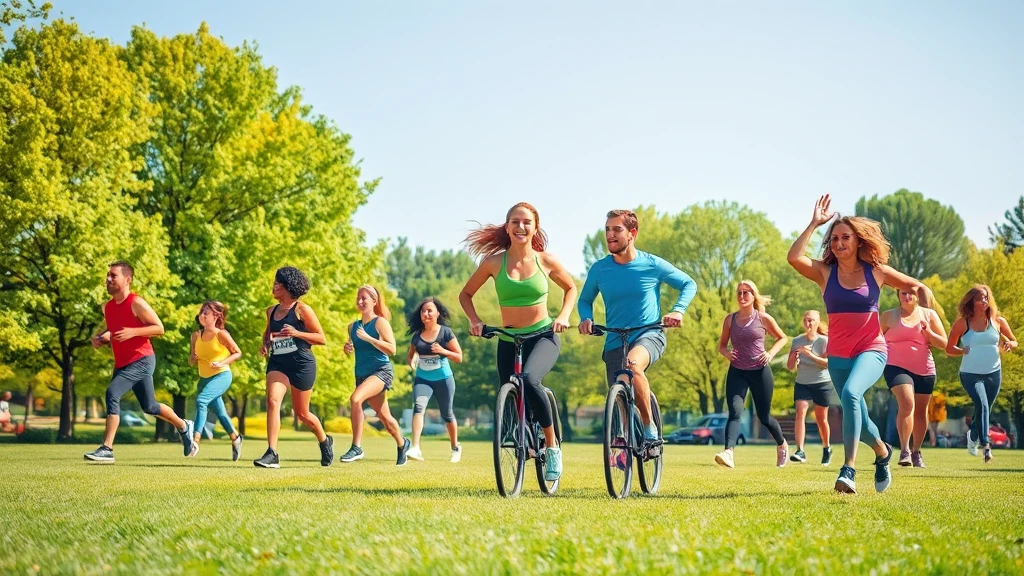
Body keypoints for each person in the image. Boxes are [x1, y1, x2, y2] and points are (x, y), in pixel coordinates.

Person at [787, 195, 935, 494]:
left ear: (858, 241)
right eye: (835, 238)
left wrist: (924, 312)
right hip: (839, 355)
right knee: (860, 417)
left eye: (846, 237)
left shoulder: (876, 271)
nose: (840, 243)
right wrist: (815, 223)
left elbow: (915, 286)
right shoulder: (825, 273)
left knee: (853, 393)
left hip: (872, 349)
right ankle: (882, 451)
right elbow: (793, 258)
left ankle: (849, 469)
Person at [460, 202, 577, 482]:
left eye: (526, 222)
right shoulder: (493, 262)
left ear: (535, 227)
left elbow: (571, 288)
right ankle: (522, 431)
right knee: (509, 393)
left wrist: (563, 315)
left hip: (543, 336)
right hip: (508, 338)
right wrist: (474, 321)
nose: (520, 227)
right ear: (507, 226)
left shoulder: (545, 261)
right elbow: (466, 295)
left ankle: (552, 446)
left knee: (528, 379)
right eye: (515, 221)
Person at [578, 209, 697, 448]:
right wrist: (586, 318)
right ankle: (623, 439)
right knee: (619, 388)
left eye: (617, 230)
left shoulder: (651, 264)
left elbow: (688, 283)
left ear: (632, 233)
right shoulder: (600, 269)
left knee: (632, 364)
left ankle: (648, 426)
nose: (610, 235)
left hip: (649, 333)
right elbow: (584, 300)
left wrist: (678, 310)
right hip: (614, 339)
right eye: (607, 230)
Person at [85, 262, 195, 462]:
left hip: (142, 359)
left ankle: (107, 448)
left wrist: (133, 332)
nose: (108, 279)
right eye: (107, 275)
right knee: (150, 407)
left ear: (127, 280)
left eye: (113, 276)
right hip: (123, 363)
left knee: (112, 393)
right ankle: (184, 426)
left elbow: (159, 328)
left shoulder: (137, 303)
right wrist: (103, 337)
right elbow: (116, 330)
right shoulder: (108, 307)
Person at [254, 267, 333, 469]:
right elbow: (269, 335)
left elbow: (321, 338)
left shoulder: (302, 310)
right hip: (278, 363)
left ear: (288, 287)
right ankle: (272, 453)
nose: (273, 286)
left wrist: (297, 333)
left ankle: (324, 440)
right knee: (273, 401)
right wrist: (265, 345)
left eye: (277, 283)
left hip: (301, 363)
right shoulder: (270, 311)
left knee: (302, 414)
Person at [714, 281, 789, 468]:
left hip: (760, 372)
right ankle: (728, 452)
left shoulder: (763, 318)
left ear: (753, 295)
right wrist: (726, 353)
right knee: (734, 412)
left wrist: (770, 353)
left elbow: (783, 338)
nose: (741, 296)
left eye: (746, 293)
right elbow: (722, 346)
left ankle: (782, 445)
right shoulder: (730, 320)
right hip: (737, 371)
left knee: (764, 417)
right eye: (739, 293)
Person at [945, 285, 1018, 463]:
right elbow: (949, 349)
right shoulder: (963, 323)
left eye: (986, 297)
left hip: (994, 373)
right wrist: (961, 350)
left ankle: (973, 435)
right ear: (972, 301)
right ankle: (986, 446)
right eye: (979, 298)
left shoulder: (998, 321)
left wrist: (1009, 344)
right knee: (983, 405)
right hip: (970, 374)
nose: (983, 301)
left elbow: (1014, 341)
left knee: (983, 409)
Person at [340, 285, 412, 465]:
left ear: (374, 301)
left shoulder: (380, 322)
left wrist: (370, 339)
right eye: (358, 298)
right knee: (385, 418)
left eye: (364, 298)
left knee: (355, 399)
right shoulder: (352, 327)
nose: (360, 301)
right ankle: (403, 444)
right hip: (361, 375)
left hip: (380, 371)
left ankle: (356, 447)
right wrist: (348, 348)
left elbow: (392, 349)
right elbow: (353, 346)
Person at [880, 289, 947, 468]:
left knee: (920, 412)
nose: (907, 297)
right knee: (907, 402)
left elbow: (944, 343)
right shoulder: (888, 316)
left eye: (911, 293)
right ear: (898, 296)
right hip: (895, 366)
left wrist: (930, 335)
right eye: (903, 293)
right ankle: (905, 450)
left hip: (924, 369)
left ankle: (916, 451)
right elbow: (875, 339)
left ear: (918, 297)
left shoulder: (929, 315)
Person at [405, 297, 464, 463]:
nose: (426, 313)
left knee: (447, 414)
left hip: (443, 379)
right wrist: (412, 361)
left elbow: (459, 357)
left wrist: (443, 351)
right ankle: (416, 448)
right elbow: (410, 356)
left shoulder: (445, 332)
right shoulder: (417, 336)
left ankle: (455, 447)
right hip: (423, 378)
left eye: (430, 310)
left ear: (438, 313)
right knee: (418, 408)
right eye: (423, 311)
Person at [188, 301, 244, 461]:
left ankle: (195, 441)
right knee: (221, 413)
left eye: (206, 312)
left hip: (221, 376)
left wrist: (221, 363)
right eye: (201, 312)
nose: (202, 315)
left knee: (201, 401)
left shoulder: (222, 334)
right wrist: (192, 358)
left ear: (216, 316)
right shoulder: (195, 336)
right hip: (204, 380)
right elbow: (191, 361)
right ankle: (235, 438)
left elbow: (237, 352)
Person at [785, 310, 834, 466]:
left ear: (818, 322)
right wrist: (794, 356)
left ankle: (827, 448)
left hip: (822, 383)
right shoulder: (797, 341)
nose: (808, 323)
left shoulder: (825, 341)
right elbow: (790, 366)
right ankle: (800, 450)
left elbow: (828, 364)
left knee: (821, 419)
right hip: (803, 383)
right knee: (800, 412)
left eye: (812, 320)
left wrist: (811, 355)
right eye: (806, 320)